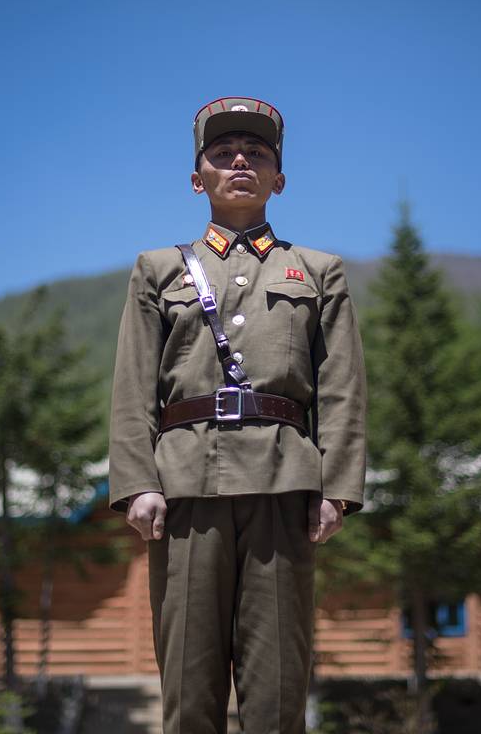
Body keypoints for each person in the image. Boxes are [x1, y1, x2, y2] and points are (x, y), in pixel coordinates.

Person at [109, 97, 367, 733]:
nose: (240, 162)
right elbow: (133, 384)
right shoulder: (158, 270)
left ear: (279, 179)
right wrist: (139, 482)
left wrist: (336, 489)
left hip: (284, 487)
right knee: (190, 682)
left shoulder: (317, 272)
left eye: (257, 153)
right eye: (222, 154)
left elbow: (341, 389)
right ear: (199, 180)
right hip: (186, 486)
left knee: (277, 683)